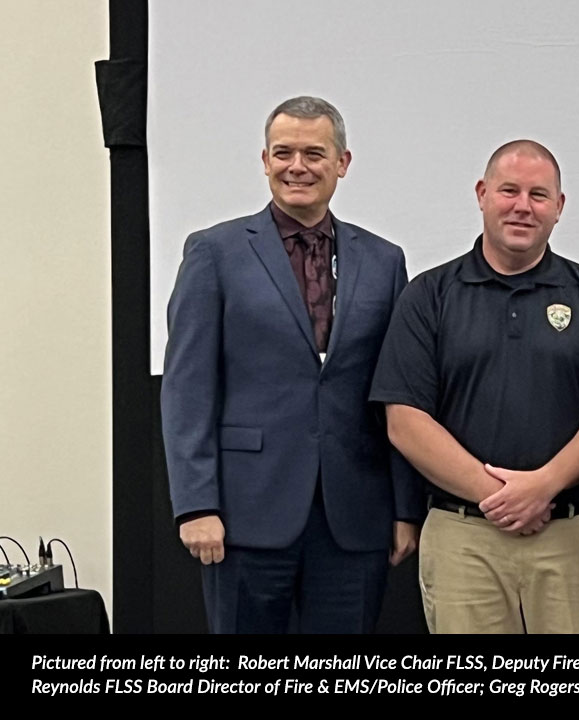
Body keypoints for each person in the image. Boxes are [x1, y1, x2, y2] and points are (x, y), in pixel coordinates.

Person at [161, 96, 421, 633]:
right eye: (283, 152)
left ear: (342, 163)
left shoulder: (384, 260)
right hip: (242, 515)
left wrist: (404, 507)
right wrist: (194, 505)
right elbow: (187, 388)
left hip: (353, 517)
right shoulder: (215, 252)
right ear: (264, 160)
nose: (296, 166)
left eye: (313, 153)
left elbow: (397, 393)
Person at [370, 140, 579, 633]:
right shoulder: (429, 295)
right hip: (462, 538)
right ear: (482, 194)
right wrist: (502, 496)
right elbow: (405, 420)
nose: (522, 206)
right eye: (509, 190)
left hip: (571, 535)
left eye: (538, 194)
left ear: (559, 207)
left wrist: (544, 486)